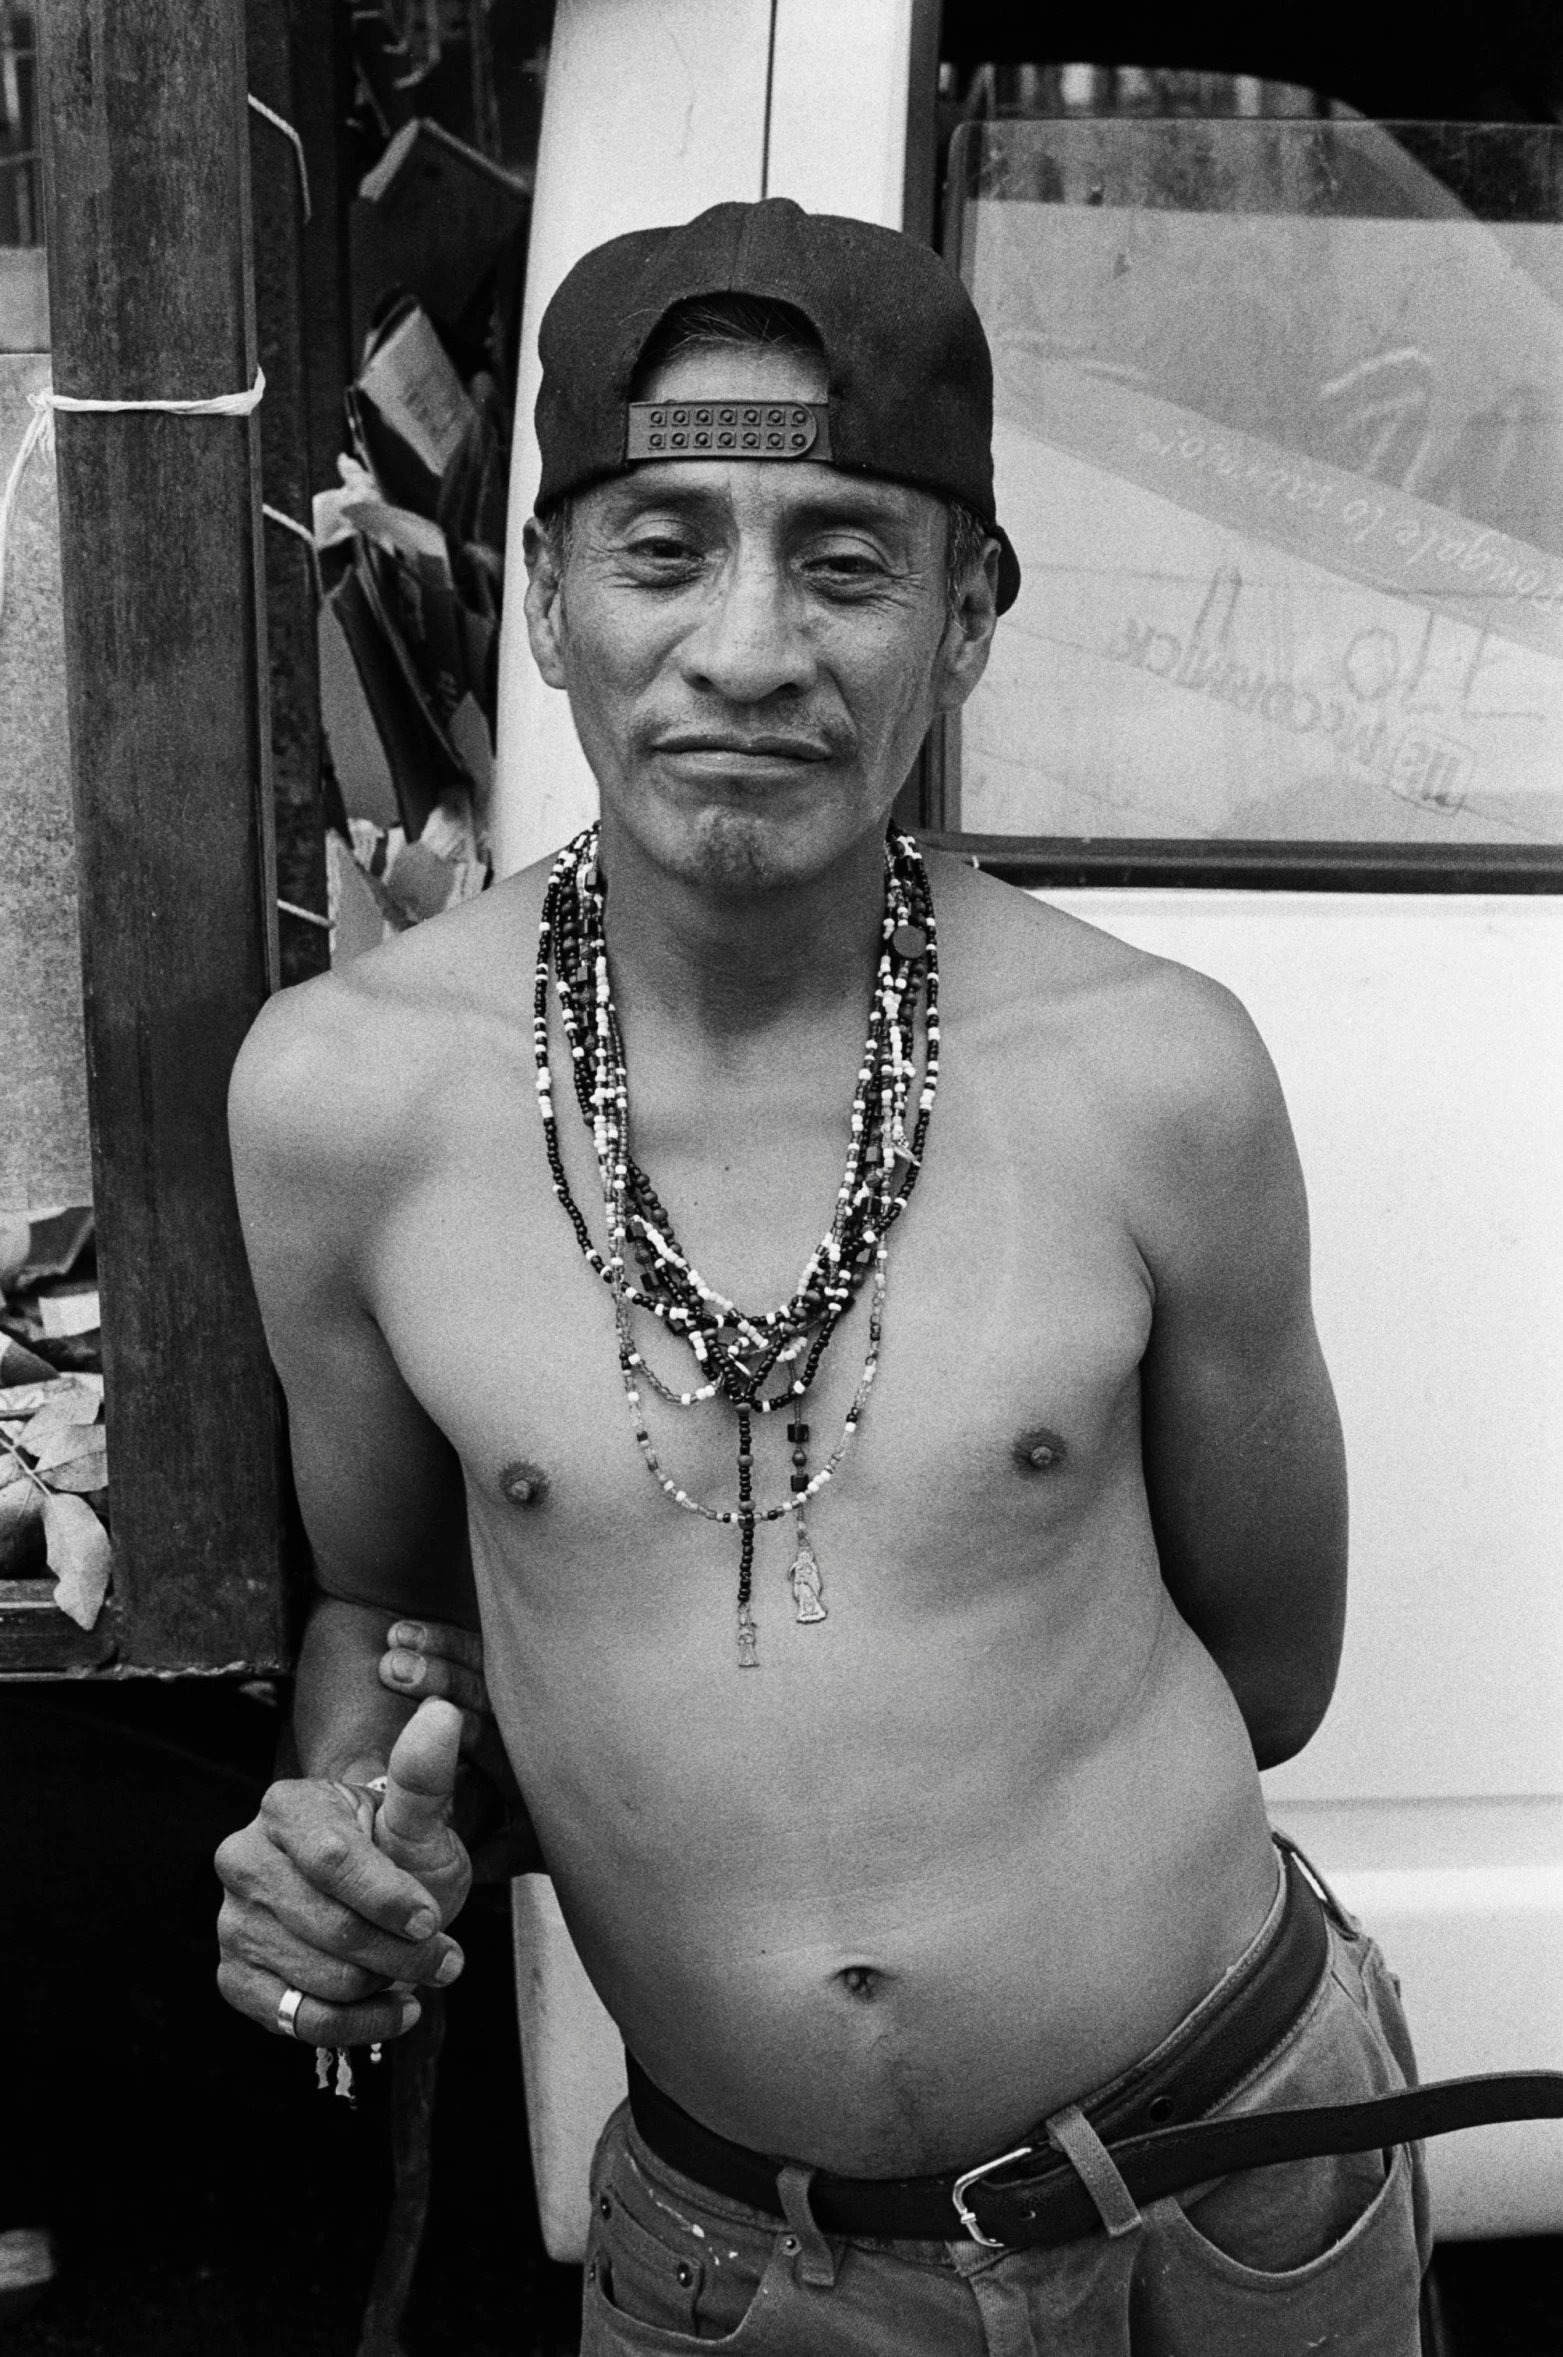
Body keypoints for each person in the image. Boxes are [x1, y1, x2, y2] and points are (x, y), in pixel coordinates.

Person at [214, 199, 1434, 2353]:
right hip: (744, 2248)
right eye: (661, 545)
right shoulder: (350, 1103)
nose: (751, 648)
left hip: (1237, 2164)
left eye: (848, 562)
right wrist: (353, 1837)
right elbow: (392, 1624)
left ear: (968, 620)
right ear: (545, 594)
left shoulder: (1152, 1077)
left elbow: (1267, 1672)